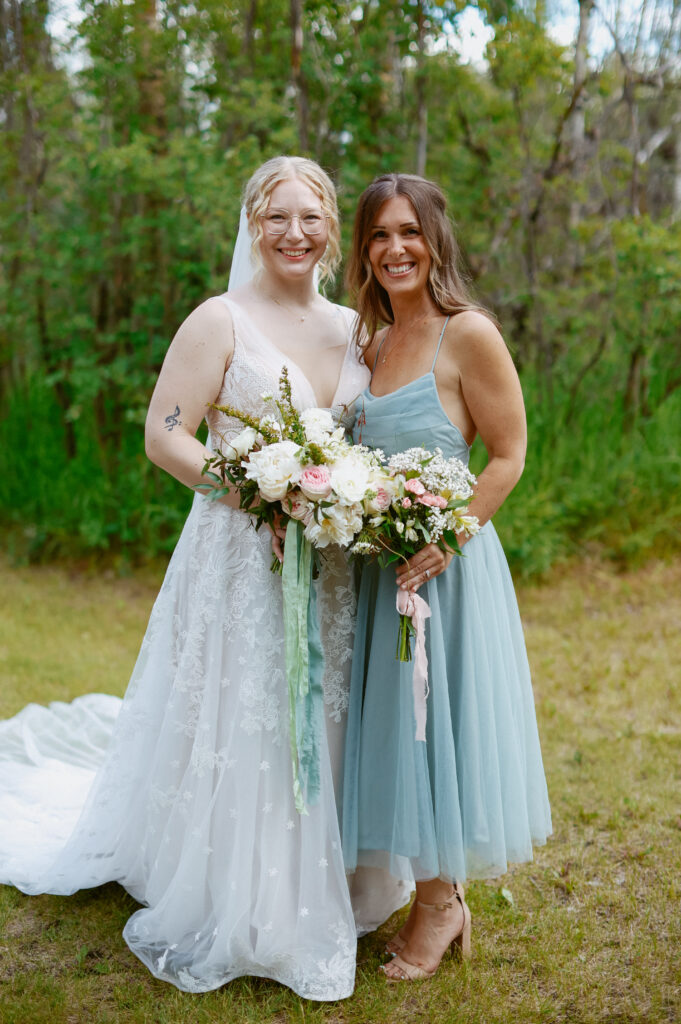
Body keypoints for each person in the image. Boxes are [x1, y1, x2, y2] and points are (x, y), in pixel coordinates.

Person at [0, 156, 408, 1000]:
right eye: (276, 217)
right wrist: (258, 491)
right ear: (252, 225)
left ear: (332, 228)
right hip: (239, 555)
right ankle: (246, 891)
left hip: (330, 561)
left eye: (310, 217)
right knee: (251, 706)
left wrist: (354, 498)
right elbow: (166, 434)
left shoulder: (353, 328)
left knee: (326, 703)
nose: (294, 233)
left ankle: (337, 872)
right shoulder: (218, 320)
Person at [341, 173, 552, 981]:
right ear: (363, 250)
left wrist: (448, 536)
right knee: (398, 730)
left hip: (445, 571)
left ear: (434, 241)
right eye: (378, 235)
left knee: (436, 727)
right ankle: (427, 891)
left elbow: (508, 455)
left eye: (408, 232)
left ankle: (440, 904)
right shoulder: (368, 344)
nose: (394, 249)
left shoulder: (468, 335)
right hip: (379, 575)